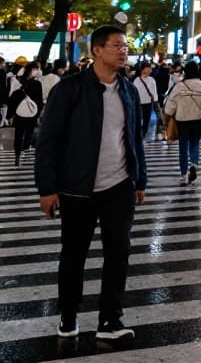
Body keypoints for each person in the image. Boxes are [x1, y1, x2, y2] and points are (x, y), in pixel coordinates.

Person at [34, 25, 147, 340]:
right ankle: (68, 317)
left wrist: (139, 181)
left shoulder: (129, 90)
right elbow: (48, 141)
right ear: (96, 50)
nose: (123, 51)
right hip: (76, 188)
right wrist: (47, 188)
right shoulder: (70, 89)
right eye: (116, 45)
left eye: (125, 46)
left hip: (119, 186)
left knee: (118, 253)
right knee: (73, 254)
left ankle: (110, 320)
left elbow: (134, 139)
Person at [163, 61, 201, 185]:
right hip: (197, 120)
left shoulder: (179, 86)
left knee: (183, 147)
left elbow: (170, 105)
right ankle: (194, 163)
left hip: (182, 121)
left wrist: (167, 116)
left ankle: (183, 174)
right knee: (194, 143)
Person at [13, 61, 43, 166]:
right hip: (32, 112)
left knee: (19, 132)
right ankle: (24, 151)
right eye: (36, 69)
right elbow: (39, 100)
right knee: (28, 132)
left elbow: (13, 98)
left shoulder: (19, 82)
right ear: (32, 70)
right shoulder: (37, 83)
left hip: (19, 112)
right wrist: (38, 112)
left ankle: (17, 154)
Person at [132, 61, 159, 139]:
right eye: (147, 68)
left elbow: (154, 91)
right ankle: (138, 134)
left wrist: (155, 101)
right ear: (142, 69)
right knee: (138, 119)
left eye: (150, 68)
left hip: (148, 102)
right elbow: (134, 92)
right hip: (139, 103)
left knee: (146, 120)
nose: (149, 70)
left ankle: (142, 135)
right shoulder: (137, 80)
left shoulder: (151, 79)